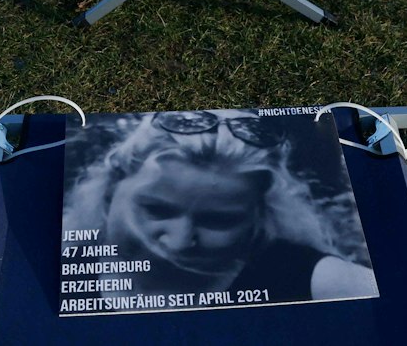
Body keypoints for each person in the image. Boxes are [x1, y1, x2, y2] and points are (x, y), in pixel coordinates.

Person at [62, 110, 379, 304]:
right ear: (109, 191)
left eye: (218, 220)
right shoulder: (57, 258)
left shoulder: (318, 280)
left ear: (259, 216)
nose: (180, 240)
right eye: (157, 210)